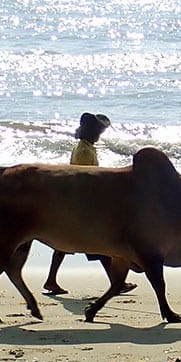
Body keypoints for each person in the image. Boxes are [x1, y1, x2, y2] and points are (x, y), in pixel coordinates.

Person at [42, 112, 137, 296]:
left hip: (74, 201)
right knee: (100, 243)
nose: (99, 135)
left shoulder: (85, 147)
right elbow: (86, 180)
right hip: (82, 203)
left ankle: (51, 280)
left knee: (64, 245)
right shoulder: (85, 151)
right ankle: (117, 282)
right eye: (98, 132)